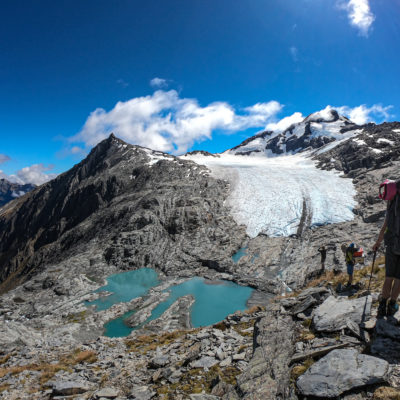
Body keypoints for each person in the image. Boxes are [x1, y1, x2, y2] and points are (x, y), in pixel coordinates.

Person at [373, 187, 400, 317]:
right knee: (399, 279)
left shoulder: (391, 205)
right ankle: (392, 305)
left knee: (389, 277)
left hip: (390, 245)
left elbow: (384, 227)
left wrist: (377, 243)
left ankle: (382, 304)